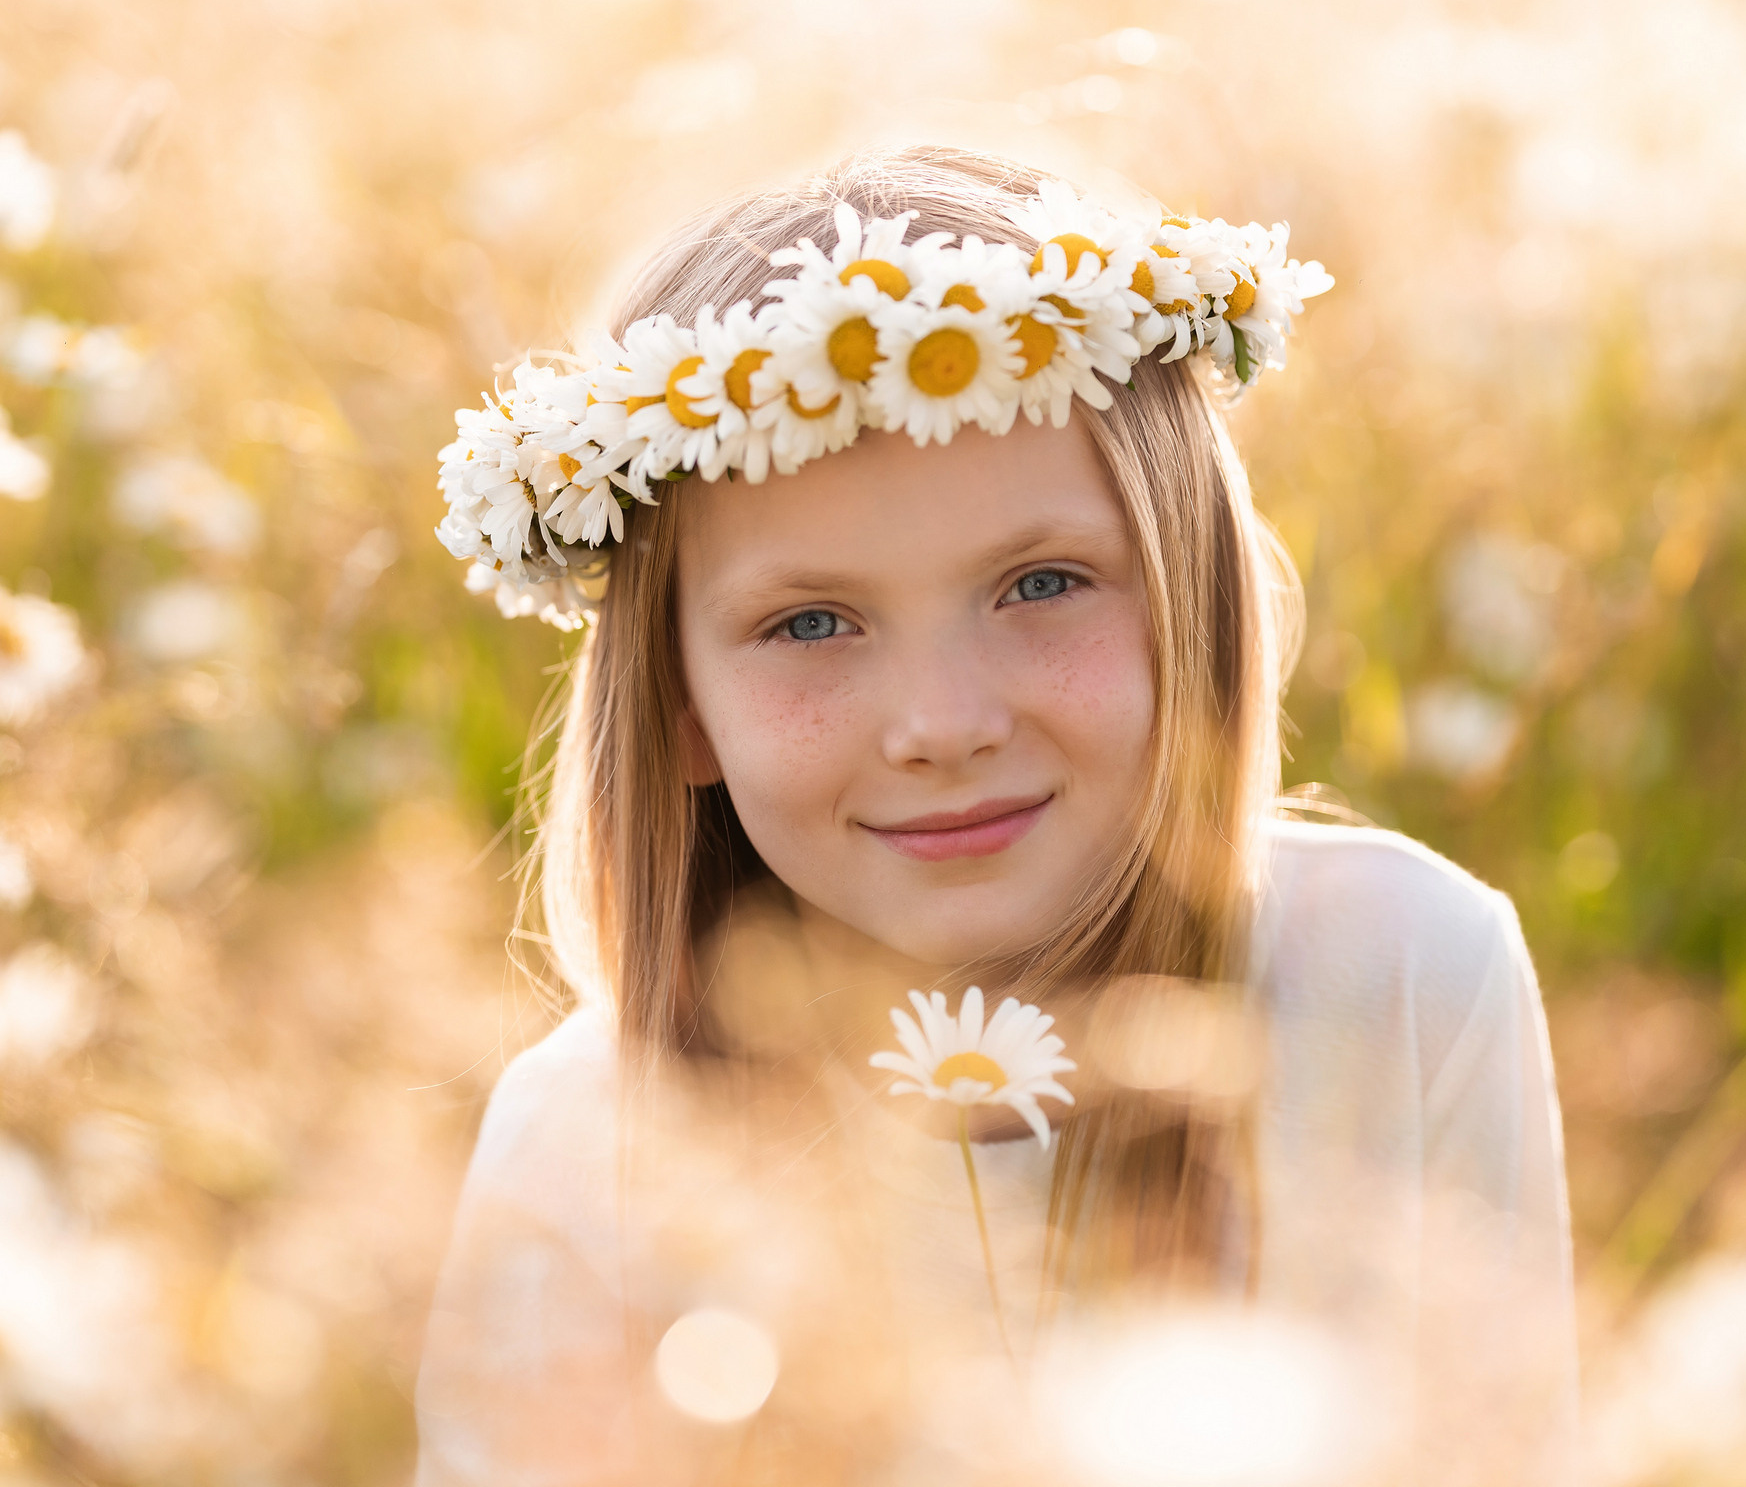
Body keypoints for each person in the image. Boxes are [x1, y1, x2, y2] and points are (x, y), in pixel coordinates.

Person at [412, 146, 1576, 1486]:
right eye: (810, 622)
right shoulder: (590, 1141)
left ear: (1186, 590)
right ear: (680, 704)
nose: (945, 722)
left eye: (1039, 585)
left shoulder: (1402, 970)